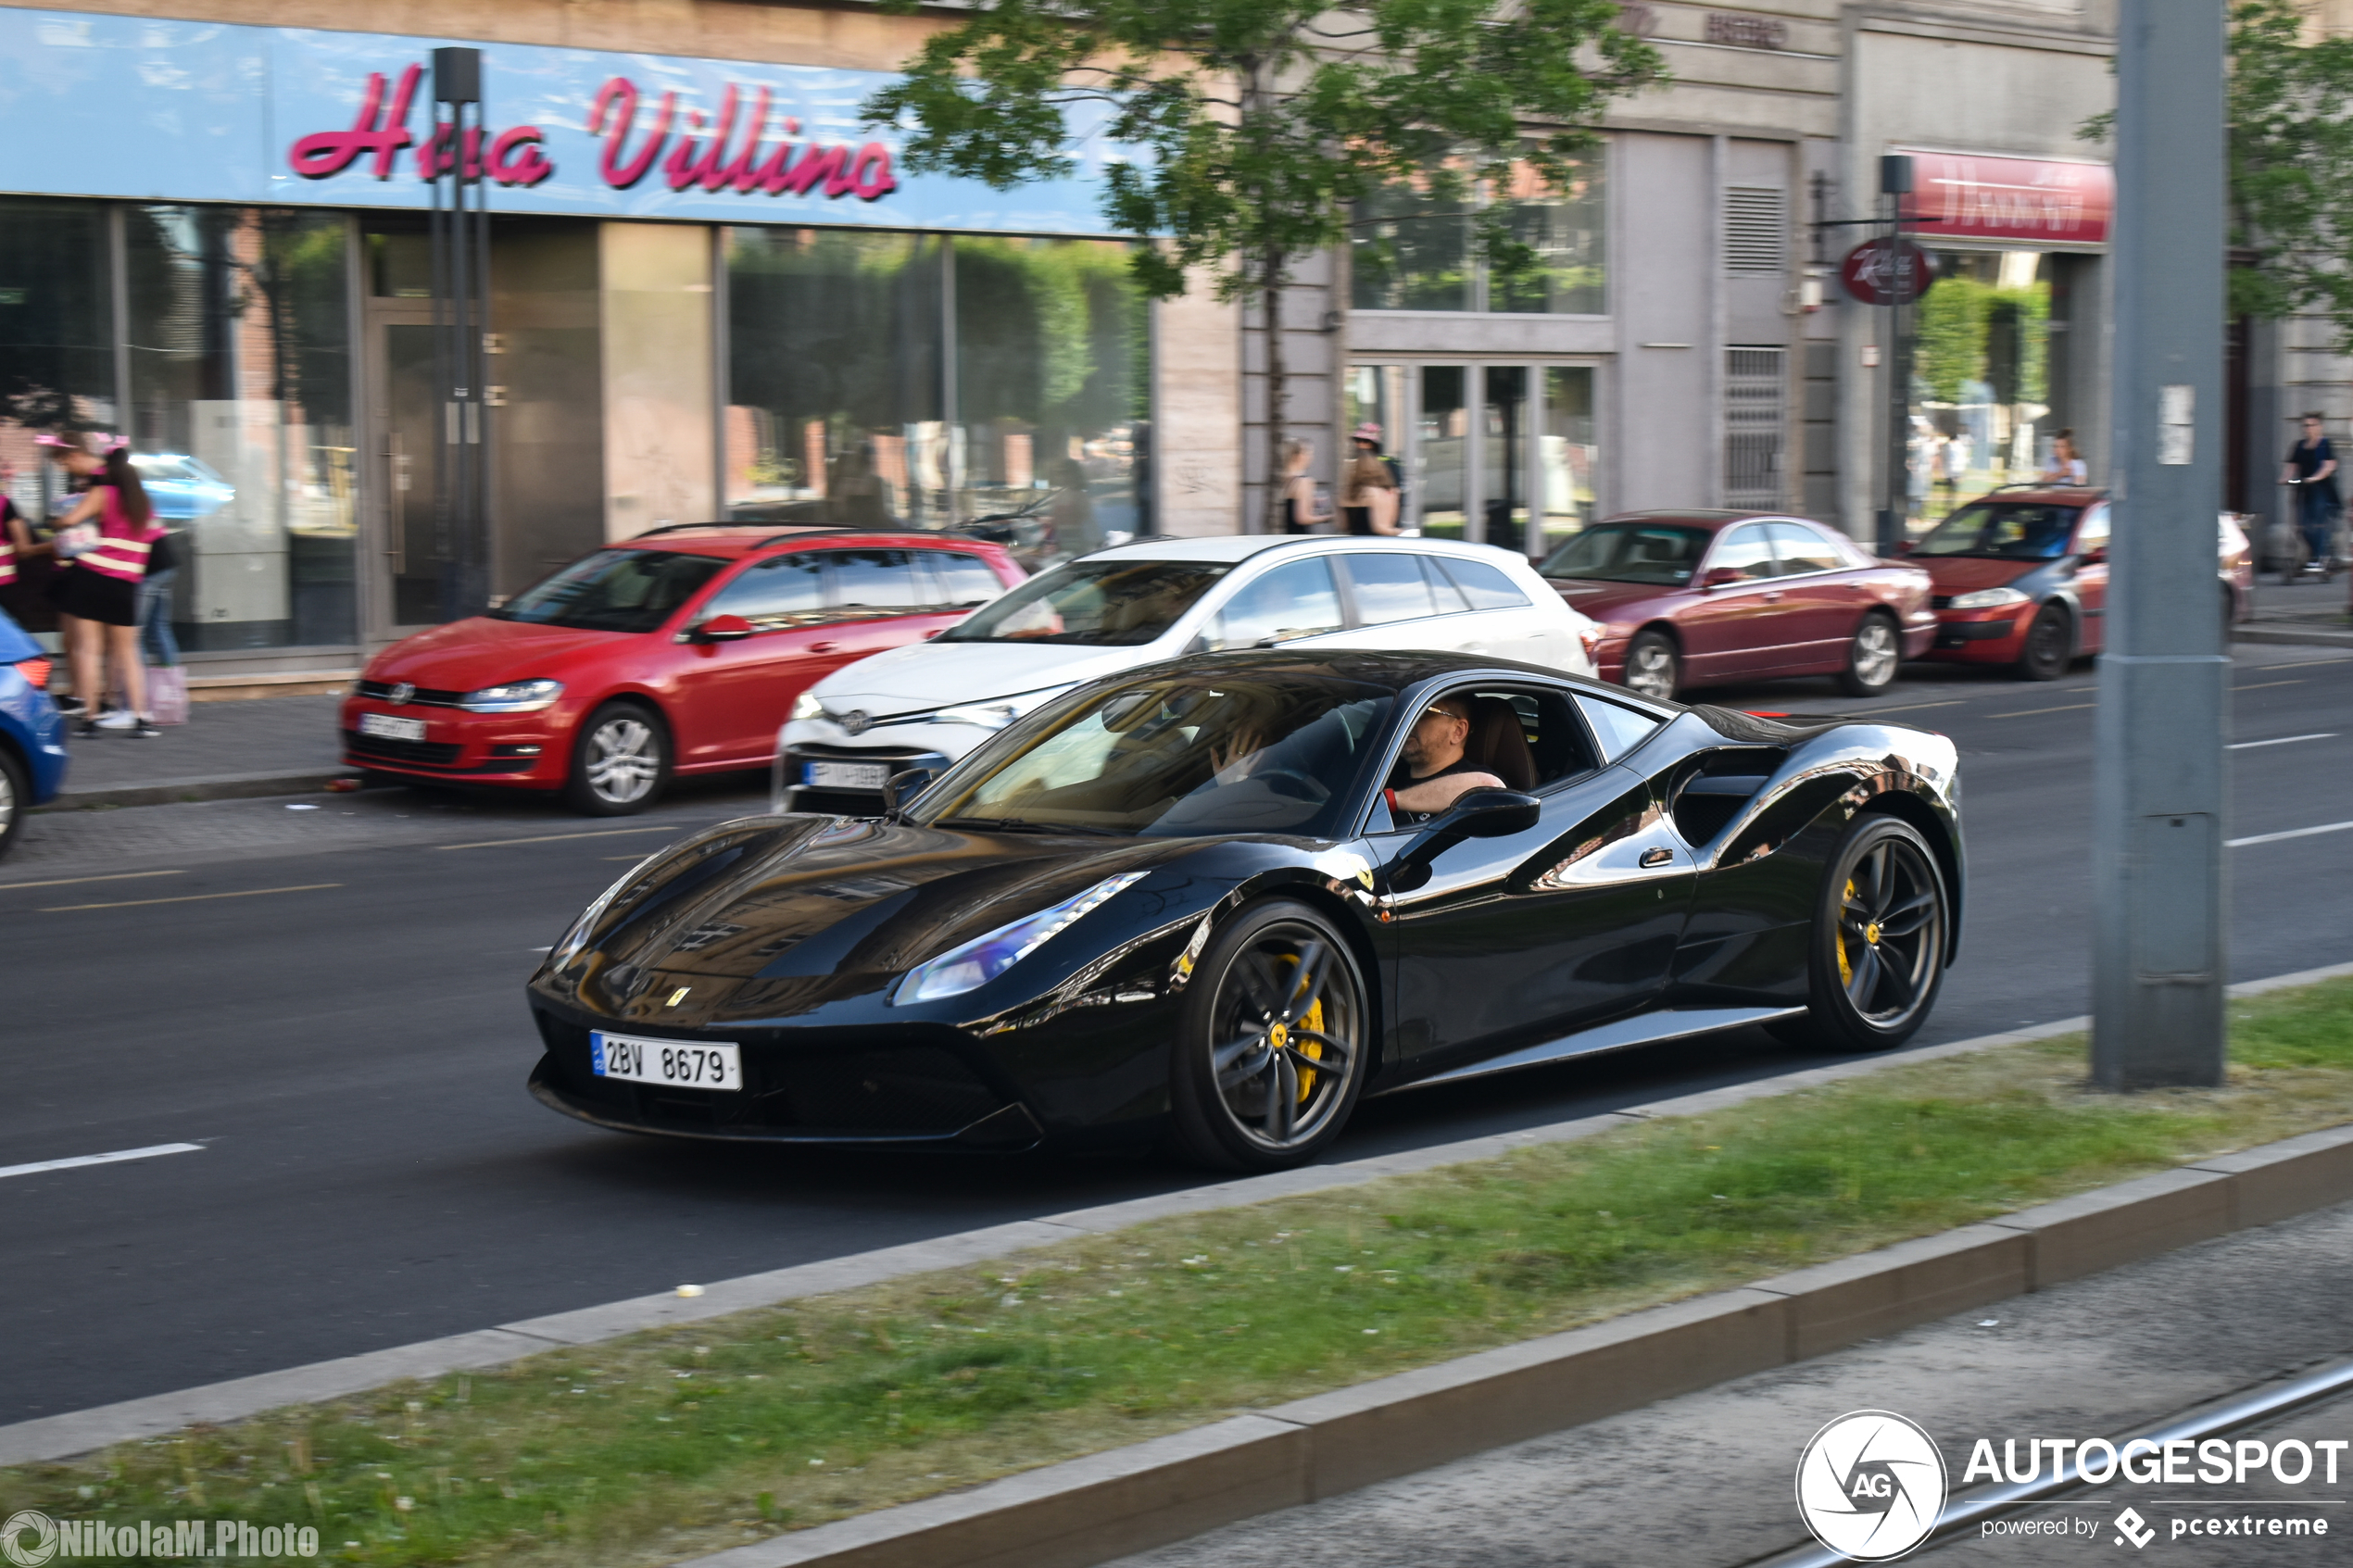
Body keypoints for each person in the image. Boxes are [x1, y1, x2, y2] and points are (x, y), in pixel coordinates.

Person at [42, 433, 162, 738]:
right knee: (127, 652)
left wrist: (55, 522)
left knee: (89, 650)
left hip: (92, 577)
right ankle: (141, 719)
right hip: (126, 584)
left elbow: (70, 521)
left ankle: (91, 720)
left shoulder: (103, 494)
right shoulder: (146, 506)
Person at [1381, 695, 1504, 822]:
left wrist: (1390, 800)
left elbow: (1490, 785)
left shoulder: (1475, 779)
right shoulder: (1384, 770)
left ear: (1458, 731)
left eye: (1423, 713)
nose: (1408, 721)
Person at [2281, 411, 2339, 581]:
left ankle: (2317, 558)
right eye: (2306, 425)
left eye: (2312, 425)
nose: (2308, 429)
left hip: (2322, 491)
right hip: (2303, 490)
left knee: (2317, 523)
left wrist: (2314, 478)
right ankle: (2315, 554)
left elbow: (2328, 467)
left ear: (2320, 427)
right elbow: (2291, 467)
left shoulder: (2325, 445)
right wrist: (2284, 479)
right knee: (2301, 526)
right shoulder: (2299, 446)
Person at [1339, 423, 1399, 536]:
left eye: (1365, 441)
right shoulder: (1376, 492)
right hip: (1373, 544)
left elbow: (1342, 525)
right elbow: (1383, 527)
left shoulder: (1388, 466)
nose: (1360, 444)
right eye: (1357, 440)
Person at [1278, 438, 1331, 534]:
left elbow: (1292, 508)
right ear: (1300, 456)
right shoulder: (1304, 481)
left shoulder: (1288, 480)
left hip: (1288, 537)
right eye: (1310, 453)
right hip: (1302, 537)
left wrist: (1314, 501)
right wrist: (1329, 517)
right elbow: (1302, 518)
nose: (1312, 458)